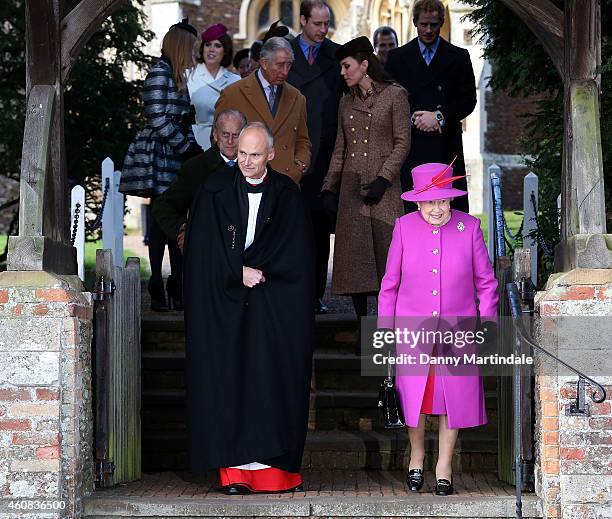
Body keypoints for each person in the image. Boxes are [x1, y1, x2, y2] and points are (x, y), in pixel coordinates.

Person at [183, 122, 314, 494]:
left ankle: (275, 474)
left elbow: (300, 257)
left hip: (273, 307)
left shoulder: (287, 195)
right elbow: (200, 252)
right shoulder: (213, 190)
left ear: (271, 155)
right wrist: (234, 271)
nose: (246, 161)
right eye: (241, 153)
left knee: (270, 383)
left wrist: (265, 274)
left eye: (255, 155)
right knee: (230, 383)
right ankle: (234, 473)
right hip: (225, 306)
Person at [378, 162, 498, 496]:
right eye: (430, 201)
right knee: (414, 398)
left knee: (452, 400)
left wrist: (487, 325)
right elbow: (390, 285)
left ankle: (444, 465)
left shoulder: (470, 228)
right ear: (418, 202)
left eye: (443, 201)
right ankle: (416, 457)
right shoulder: (403, 227)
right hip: (412, 330)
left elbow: (486, 284)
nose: (437, 208)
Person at [320, 36, 410, 326]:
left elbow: (402, 143)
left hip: (385, 190)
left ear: (364, 64)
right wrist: (328, 188)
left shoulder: (395, 95)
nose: (343, 72)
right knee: (355, 262)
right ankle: (363, 330)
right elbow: (340, 148)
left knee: (389, 260)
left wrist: (384, 179)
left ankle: (389, 329)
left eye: (347, 66)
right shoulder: (345, 102)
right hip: (352, 189)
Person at [119, 19, 199, 312]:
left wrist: (193, 148)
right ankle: (156, 280)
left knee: (177, 215)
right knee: (161, 216)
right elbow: (156, 116)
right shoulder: (159, 72)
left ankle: (176, 281)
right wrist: (184, 145)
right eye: (193, 48)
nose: (196, 53)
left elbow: (183, 117)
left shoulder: (178, 76)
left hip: (175, 151)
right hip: (159, 153)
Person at [385, 0, 476, 213]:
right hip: (411, 147)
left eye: (434, 25)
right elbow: (388, 100)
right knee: (412, 211)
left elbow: (468, 100)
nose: (428, 30)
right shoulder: (397, 58)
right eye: (423, 24)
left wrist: (439, 116)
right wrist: (414, 119)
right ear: (415, 22)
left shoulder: (459, 57)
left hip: (446, 146)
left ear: (441, 23)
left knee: (448, 211)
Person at [287, 0, 343, 314]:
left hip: (324, 155)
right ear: (303, 21)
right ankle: (292, 292)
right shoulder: (284, 54)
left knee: (320, 229)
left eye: (326, 24)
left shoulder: (336, 56)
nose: (323, 30)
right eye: (317, 24)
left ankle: (316, 293)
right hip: (290, 154)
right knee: (291, 228)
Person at [215, 36, 311, 183]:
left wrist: (299, 166)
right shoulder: (232, 94)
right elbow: (217, 139)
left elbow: (303, 140)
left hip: (286, 184)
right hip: (242, 185)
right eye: (280, 65)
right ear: (264, 63)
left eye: (289, 65)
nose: (285, 72)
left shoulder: (297, 98)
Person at [152, 109, 247, 252]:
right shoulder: (197, 167)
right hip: (208, 250)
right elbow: (163, 205)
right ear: (215, 134)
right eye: (225, 134)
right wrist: (182, 230)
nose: (230, 141)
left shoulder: (254, 165)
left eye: (236, 135)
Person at [187, 23, 240, 149]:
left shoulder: (236, 81)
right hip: (194, 143)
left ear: (225, 51)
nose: (211, 49)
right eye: (207, 45)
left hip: (226, 145)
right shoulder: (188, 77)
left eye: (217, 46)